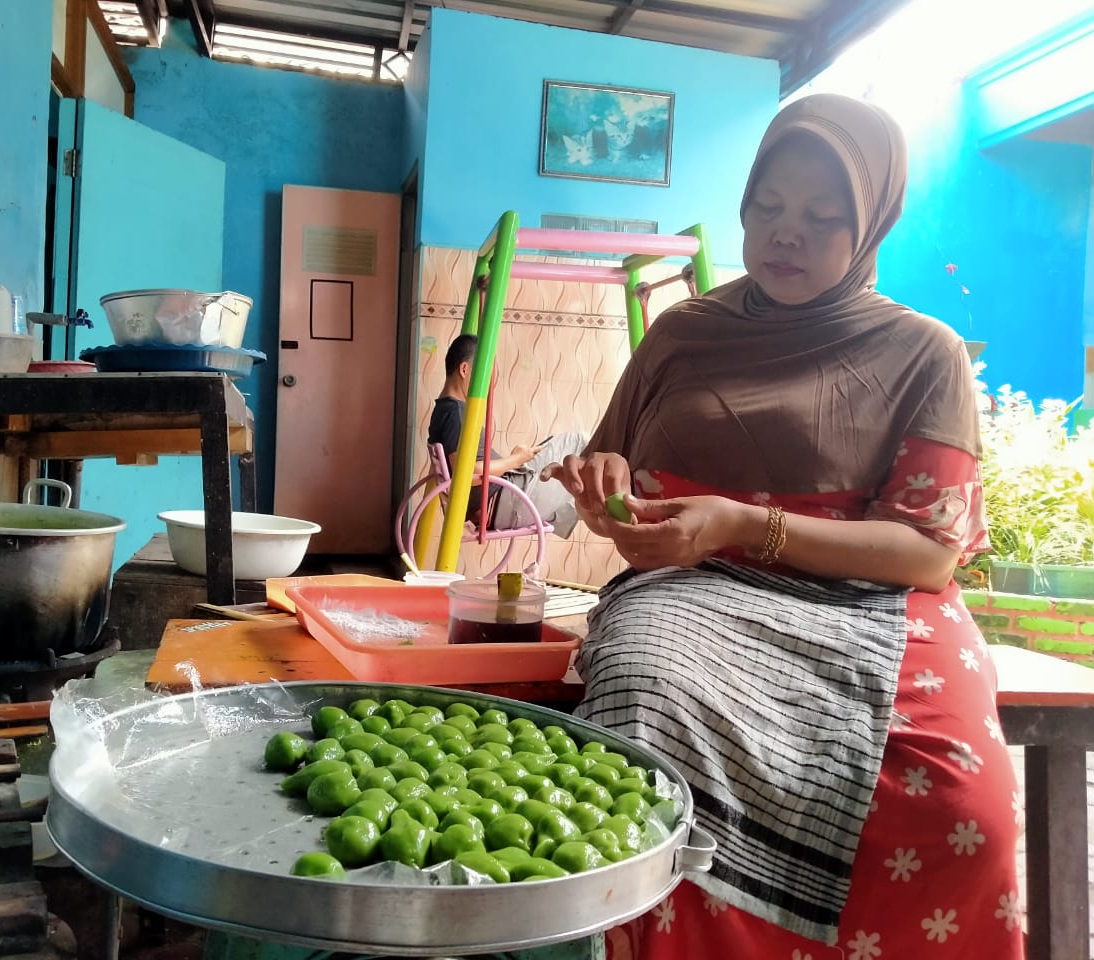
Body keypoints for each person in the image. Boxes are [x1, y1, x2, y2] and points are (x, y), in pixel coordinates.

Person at [546, 94, 1023, 958]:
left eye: (821, 216)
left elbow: (924, 554)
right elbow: (617, 480)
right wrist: (608, 492)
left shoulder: (925, 353)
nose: (785, 234)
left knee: (963, 805)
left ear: (871, 221)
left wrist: (743, 525)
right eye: (767, 207)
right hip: (689, 593)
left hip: (873, 605)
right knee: (641, 727)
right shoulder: (683, 333)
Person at [428, 333, 586, 537]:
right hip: (501, 500)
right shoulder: (455, 413)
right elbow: (467, 474)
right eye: (485, 375)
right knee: (578, 455)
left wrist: (515, 459)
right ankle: (619, 496)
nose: (489, 384)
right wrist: (514, 460)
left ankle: (603, 504)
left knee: (573, 449)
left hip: (505, 491)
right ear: (465, 370)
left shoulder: (447, 409)